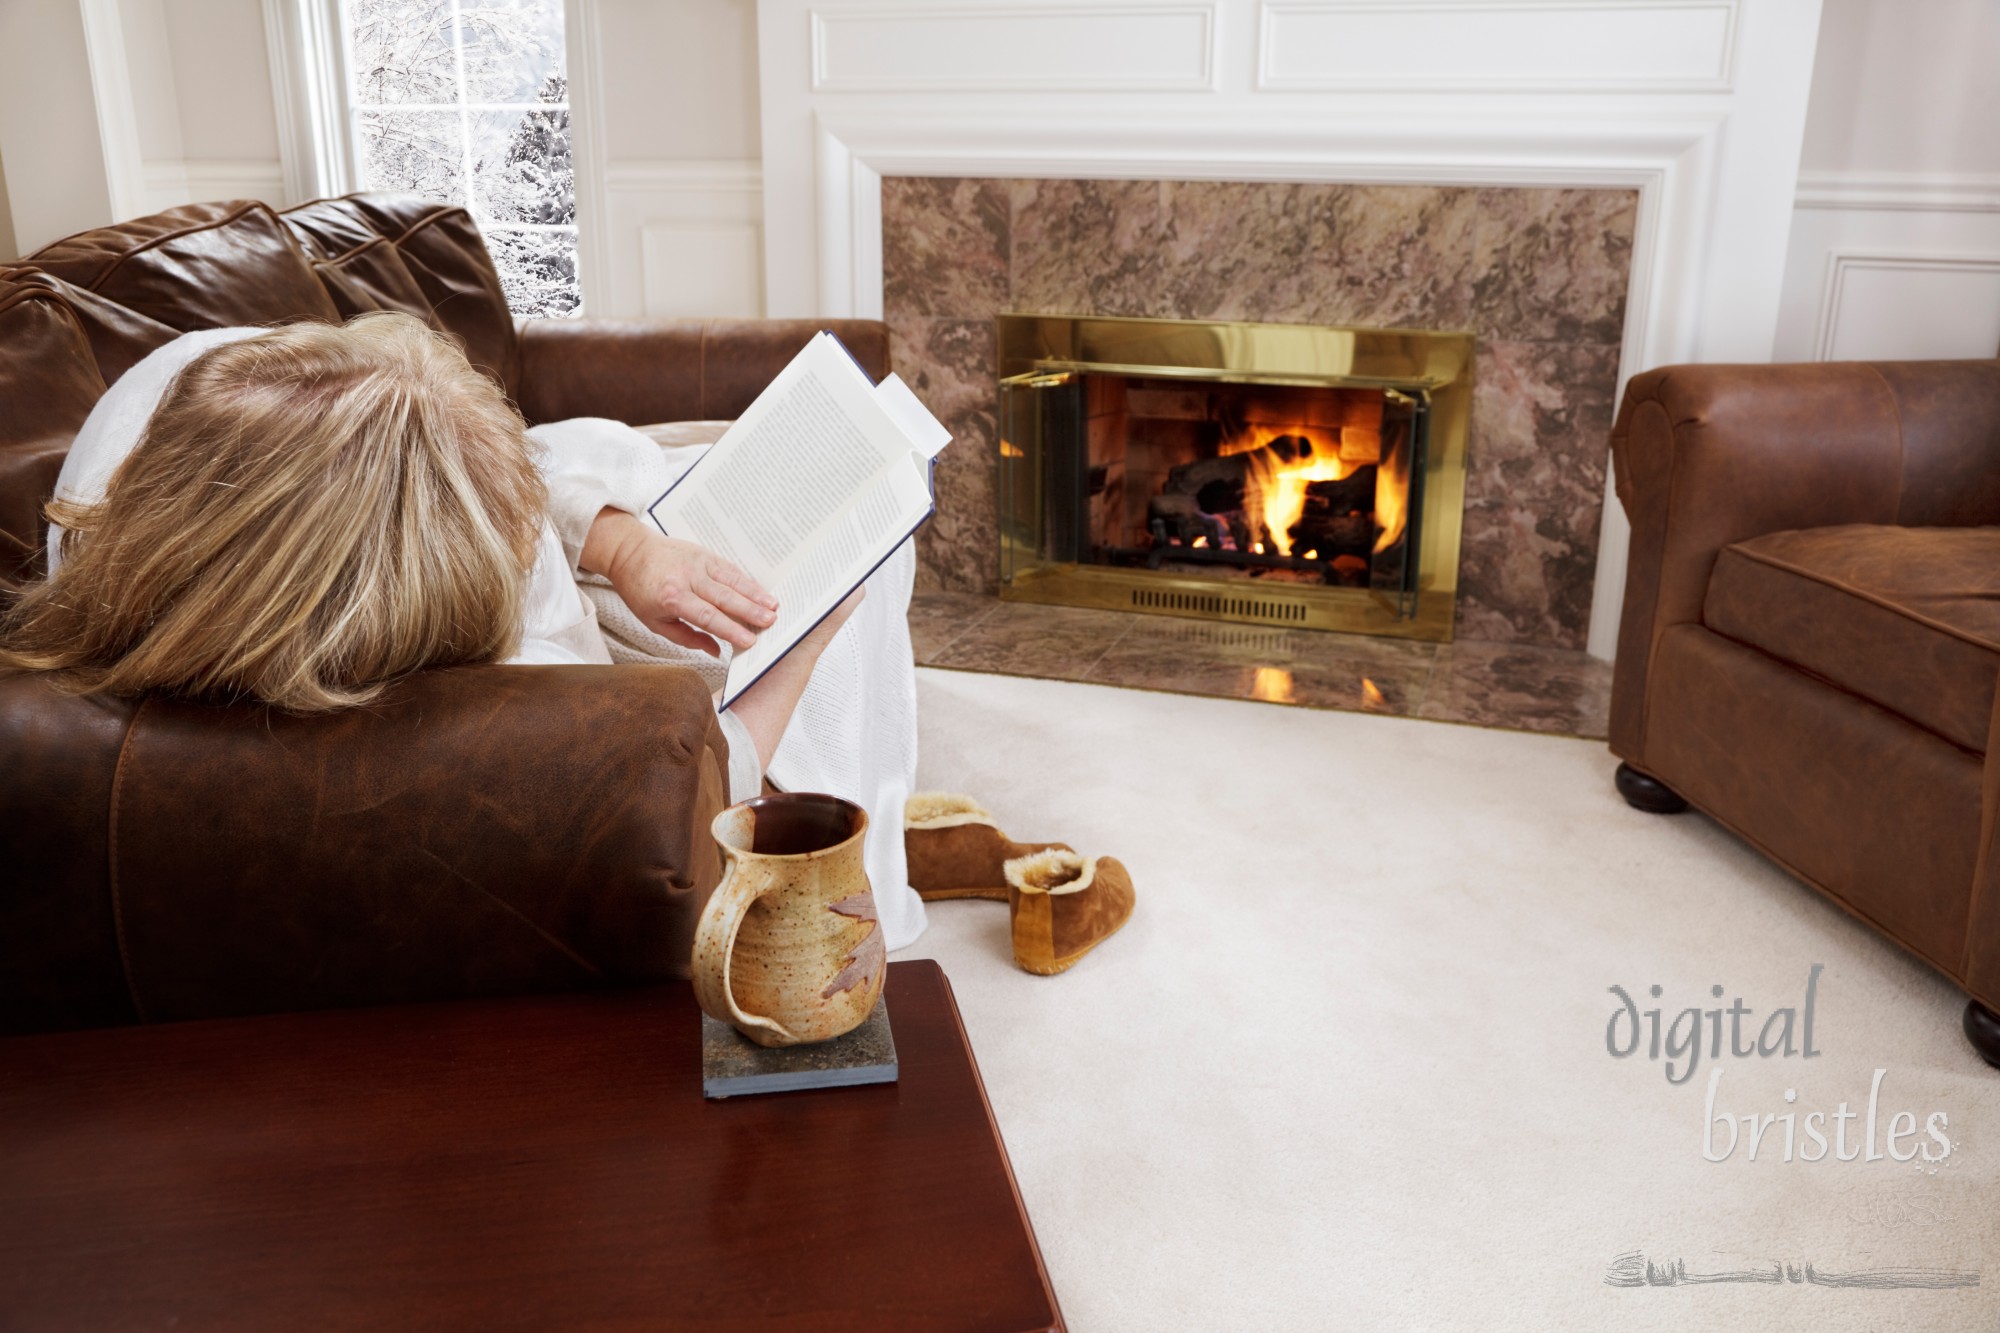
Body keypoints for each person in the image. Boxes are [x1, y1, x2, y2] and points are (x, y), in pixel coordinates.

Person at [0, 312, 1132, 970]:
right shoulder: (402, 678)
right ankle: (853, 912)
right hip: (452, 599)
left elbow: (488, 450)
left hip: (436, 515)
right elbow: (648, 785)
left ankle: (851, 831)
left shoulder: (216, 388)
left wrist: (618, 544)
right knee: (824, 593)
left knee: (754, 533)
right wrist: (802, 650)